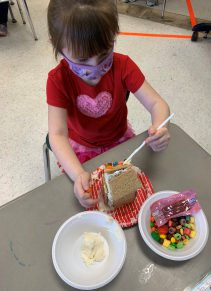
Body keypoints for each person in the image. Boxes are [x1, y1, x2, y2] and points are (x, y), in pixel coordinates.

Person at [47, 0, 171, 209]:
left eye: (104, 53)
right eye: (83, 59)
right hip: (81, 149)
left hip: (120, 141)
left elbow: (157, 103)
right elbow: (57, 134)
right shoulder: (57, 80)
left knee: (128, 201)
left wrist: (160, 126)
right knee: (93, 203)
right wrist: (78, 174)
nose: (95, 67)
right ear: (57, 46)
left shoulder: (123, 65)